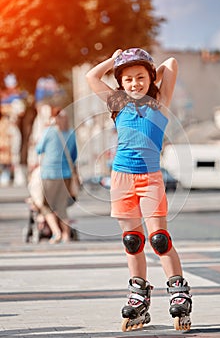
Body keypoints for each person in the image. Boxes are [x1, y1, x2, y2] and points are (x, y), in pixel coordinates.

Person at [86, 48, 192, 331]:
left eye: (141, 77)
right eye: (129, 79)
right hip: (121, 179)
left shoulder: (160, 103)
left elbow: (172, 62)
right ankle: (138, 296)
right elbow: (91, 76)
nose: (135, 83)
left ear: (151, 78)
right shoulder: (117, 103)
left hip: (150, 178)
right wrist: (115, 59)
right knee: (132, 241)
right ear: (120, 83)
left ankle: (178, 292)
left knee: (159, 239)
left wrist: (141, 62)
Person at [36, 108, 78, 244]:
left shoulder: (49, 131)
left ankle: (56, 232)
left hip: (49, 173)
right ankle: (66, 234)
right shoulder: (71, 133)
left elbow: (39, 149)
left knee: (46, 205)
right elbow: (74, 155)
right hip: (65, 173)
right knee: (61, 206)